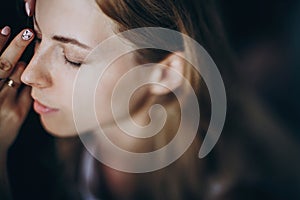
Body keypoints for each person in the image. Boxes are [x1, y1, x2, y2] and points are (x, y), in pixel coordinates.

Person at [1, 0, 300, 200]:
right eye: (38, 37)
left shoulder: (238, 188)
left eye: (73, 58)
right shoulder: (21, 140)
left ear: (165, 73)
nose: (29, 75)